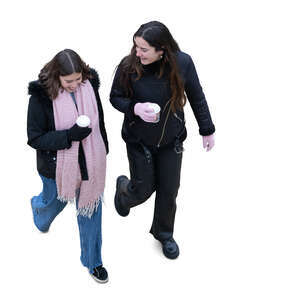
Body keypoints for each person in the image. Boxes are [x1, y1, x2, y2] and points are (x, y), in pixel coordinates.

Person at [110, 21, 215, 259]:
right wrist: (135, 108)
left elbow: (197, 96)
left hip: (171, 141)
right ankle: (124, 193)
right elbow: (115, 97)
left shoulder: (183, 63)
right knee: (144, 189)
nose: (138, 53)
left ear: (162, 49)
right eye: (136, 46)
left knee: (169, 191)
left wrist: (206, 129)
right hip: (139, 141)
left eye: (144, 49)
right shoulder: (128, 67)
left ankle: (164, 234)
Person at [27, 49, 109, 283]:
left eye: (78, 79)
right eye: (68, 81)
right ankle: (38, 210)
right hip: (56, 168)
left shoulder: (89, 86)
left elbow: (99, 119)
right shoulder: (41, 98)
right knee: (54, 203)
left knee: (91, 210)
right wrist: (69, 136)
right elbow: (34, 138)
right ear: (57, 76)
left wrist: (104, 149)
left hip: (91, 163)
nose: (75, 84)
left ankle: (94, 262)